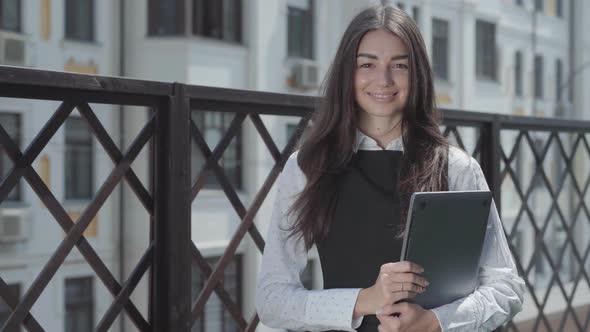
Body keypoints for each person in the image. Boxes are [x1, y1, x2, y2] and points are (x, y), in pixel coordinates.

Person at [255, 2, 525, 331]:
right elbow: (272, 299)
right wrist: (366, 299)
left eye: (400, 65)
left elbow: (506, 287)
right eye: (366, 64)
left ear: (419, 75)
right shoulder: (308, 167)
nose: (382, 79)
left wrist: (436, 322)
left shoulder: (456, 167)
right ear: (347, 73)